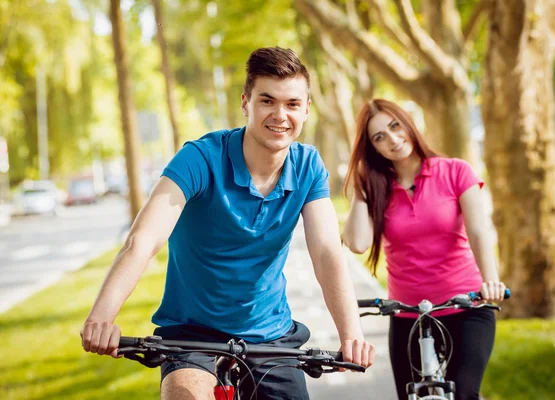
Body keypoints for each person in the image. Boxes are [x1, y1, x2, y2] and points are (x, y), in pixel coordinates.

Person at [80, 47, 375, 400]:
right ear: (245, 103)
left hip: (270, 335)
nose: (280, 115)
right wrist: (102, 316)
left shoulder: (308, 165)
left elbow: (327, 252)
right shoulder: (200, 158)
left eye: (292, 104)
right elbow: (142, 241)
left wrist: (351, 334)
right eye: (267, 100)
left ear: (307, 109)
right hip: (192, 335)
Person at [341, 99, 505, 400]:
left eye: (395, 126)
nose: (392, 139)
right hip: (408, 312)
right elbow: (357, 243)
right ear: (373, 148)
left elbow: (478, 231)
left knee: (464, 392)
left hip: (466, 305)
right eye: (379, 137)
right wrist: (360, 191)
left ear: (408, 124)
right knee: (410, 395)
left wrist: (490, 280)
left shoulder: (456, 171)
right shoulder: (376, 187)